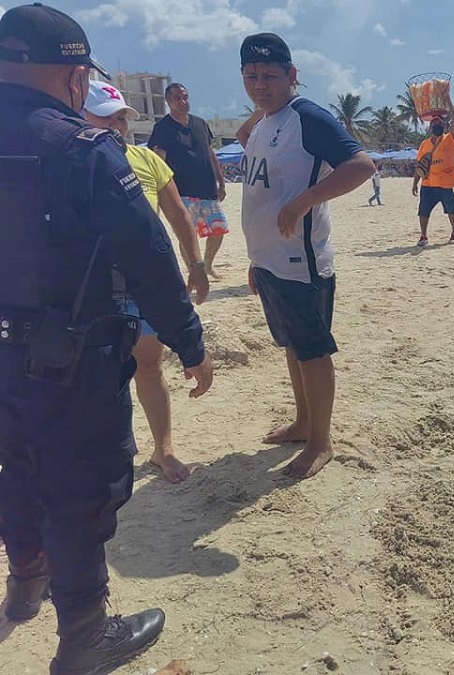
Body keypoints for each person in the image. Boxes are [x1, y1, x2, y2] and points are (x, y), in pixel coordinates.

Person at [0, 4, 213, 672]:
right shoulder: (85, 150)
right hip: (72, 357)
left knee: (14, 468)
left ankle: (26, 572)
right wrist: (189, 339)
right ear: (72, 76)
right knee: (82, 487)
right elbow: (148, 255)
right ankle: (85, 631)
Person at [236, 33, 374, 479]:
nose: (260, 84)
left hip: (302, 261)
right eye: (252, 77)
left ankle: (321, 442)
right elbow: (248, 149)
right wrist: (257, 258)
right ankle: (302, 422)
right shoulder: (263, 123)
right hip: (270, 261)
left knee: (313, 351)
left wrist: (303, 202)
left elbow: (361, 166)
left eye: (271, 76)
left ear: (293, 76)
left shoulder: (308, 118)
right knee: (292, 346)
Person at [83, 80, 210, 483]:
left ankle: (163, 449)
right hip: (92, 289)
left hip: (142, 281)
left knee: (149, 367)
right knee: (95, 374)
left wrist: (196, 265)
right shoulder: (69, 161)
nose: (117, 126)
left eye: (121, 117)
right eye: (106, 117)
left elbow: (178, 216)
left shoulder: (146, 160)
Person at [149, 82, 229, 279]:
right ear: (168, 101)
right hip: (181, 190)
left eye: (185, 97)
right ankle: (195, 269)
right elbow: (158, 160)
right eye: (177, 98)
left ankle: (208, 264)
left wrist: (221, 180)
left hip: (207, 187)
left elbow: (211, 153)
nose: (183, 101)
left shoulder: (200, 123)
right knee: (187, 234)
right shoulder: (163, 128)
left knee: (218, 229)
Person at [412, 103, 454, 246]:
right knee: (423, 210)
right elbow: (420, 165)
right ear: (430, 127)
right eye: (434, 124)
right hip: (428, 183)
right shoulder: (424, 144)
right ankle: (423, 236)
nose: (437, 126)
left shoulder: (449, 139)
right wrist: (415, 182)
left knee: (451, 208)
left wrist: (449, 102)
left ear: (444, 125)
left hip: (445, 183)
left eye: (439, 123)